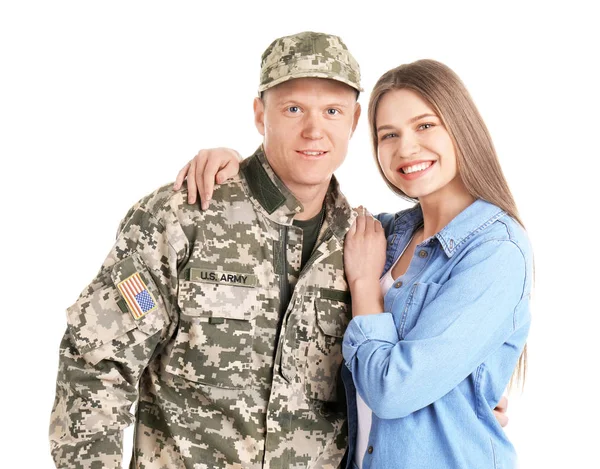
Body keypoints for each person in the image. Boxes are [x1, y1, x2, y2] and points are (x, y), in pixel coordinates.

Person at [177, 60, 530, 468]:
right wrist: (237, 167)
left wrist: (364, 286)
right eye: (389, 135)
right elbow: (298, 222)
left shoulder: (496, 252)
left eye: (425, 126)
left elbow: (392, 391)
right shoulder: (385, 236)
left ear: (461, 128)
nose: (406, 148)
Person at [49, 31, 363, 468]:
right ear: (260, 114)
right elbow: (96, 361)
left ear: (354, 120)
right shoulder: (182, 216)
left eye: (332, 111)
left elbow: (408, 366)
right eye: (293, 109)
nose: (314, 130)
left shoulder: (364, 243)